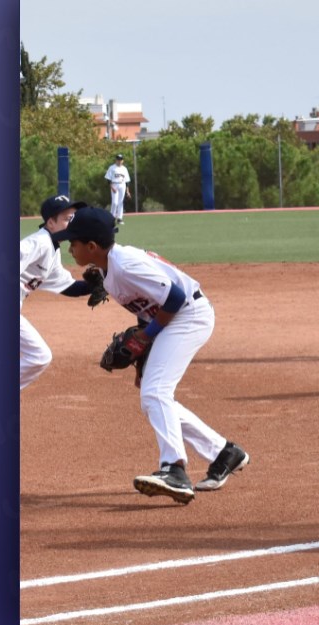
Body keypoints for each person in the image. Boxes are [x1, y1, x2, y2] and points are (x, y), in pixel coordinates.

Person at [51, 206, 250, 504]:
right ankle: (223, 452)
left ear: (92, 247)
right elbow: (147, 309)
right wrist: (141, 360)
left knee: (155, 394)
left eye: (74, 242)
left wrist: (144, 338)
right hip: (171, 319)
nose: (69, 247)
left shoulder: (127, 264)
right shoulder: (107, 271)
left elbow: (175, 298)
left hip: (189, 315)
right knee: (154, 395)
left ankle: (174, 469)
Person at [19, 195, 98, 390]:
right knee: (39, 356)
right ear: (50, 222)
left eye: (73, 218)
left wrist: (99, 284)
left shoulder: (53, 250)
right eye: (66, 218)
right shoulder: (39, 243)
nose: (72, 222)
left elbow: (68, 287)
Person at [104, 154, 131, 224]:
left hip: (122, 185)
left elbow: (127, 181)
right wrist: (112, 187)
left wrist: (127, 191)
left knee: (120, 202)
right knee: (114, 202)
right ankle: (112, 218)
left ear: (123, 161)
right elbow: (108, 179)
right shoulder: (112, 168)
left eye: (121, 159)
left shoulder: (124, 169)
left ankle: (119, 218)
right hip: (114, 184)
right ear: (116, 160)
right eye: (118, 159)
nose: (119, 161)